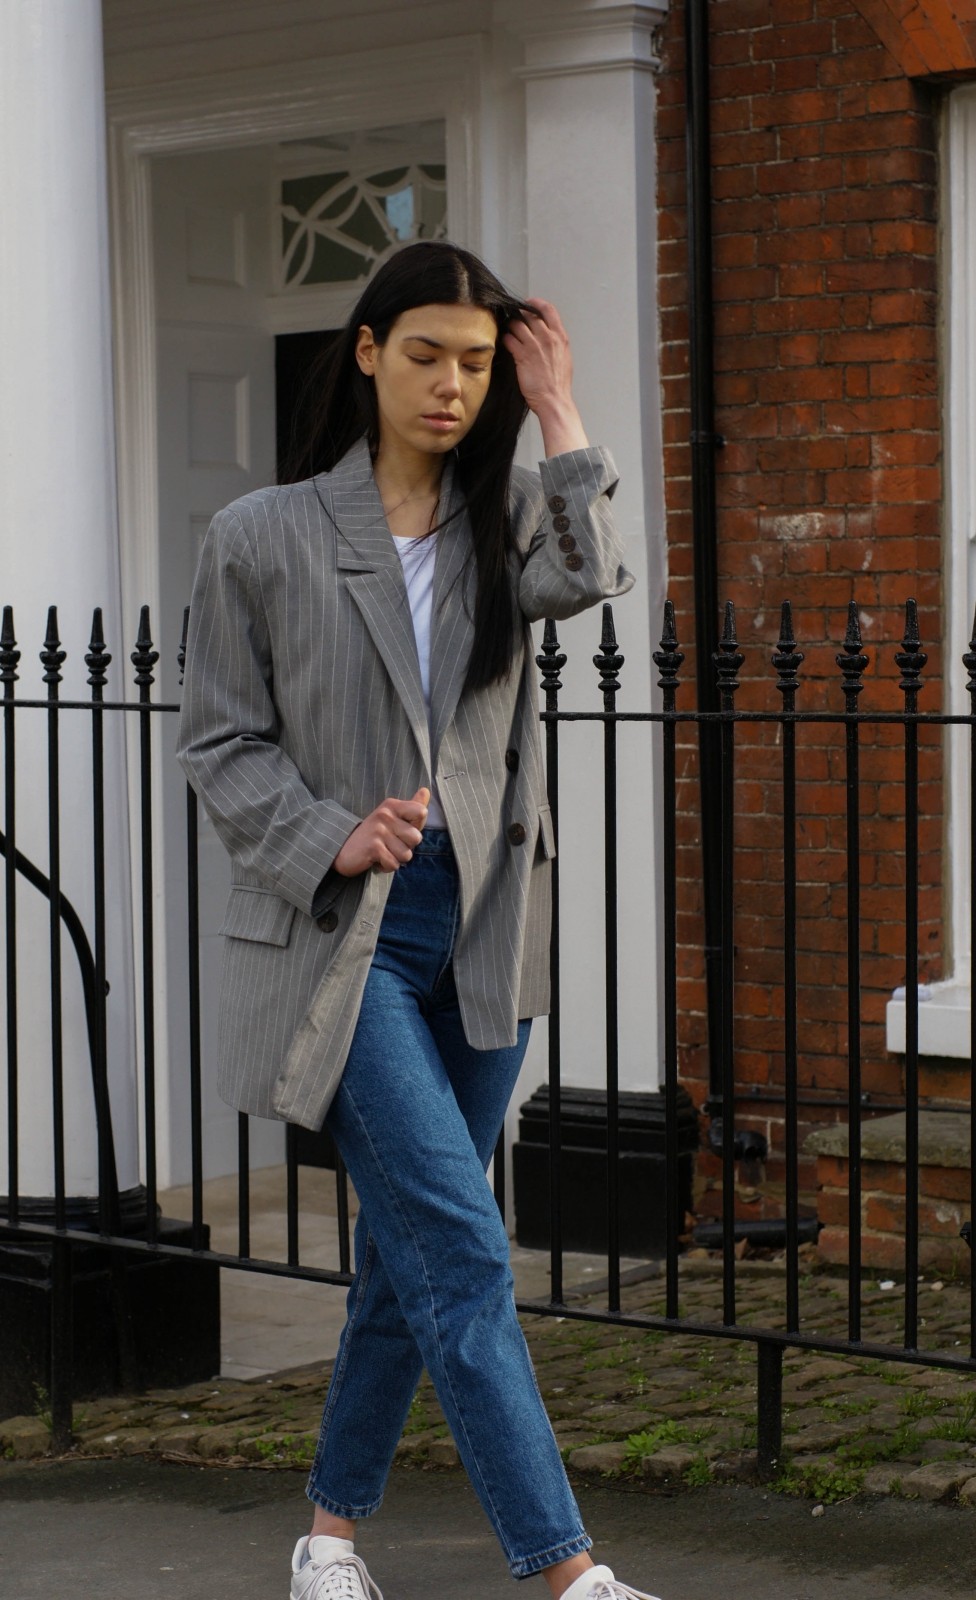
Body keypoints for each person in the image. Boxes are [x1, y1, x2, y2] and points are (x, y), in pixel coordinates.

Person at [177, 240, 657, 1600]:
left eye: (480, 361)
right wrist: (333, 832)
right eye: (430, 353)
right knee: (458, 1240)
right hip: (347, 937)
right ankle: (567, 1573)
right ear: (371, 350)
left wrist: (562, 416)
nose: (454, 384)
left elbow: (593, 574)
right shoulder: (261, 536)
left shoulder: (501, 516)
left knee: (401, 1255)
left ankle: (326, 1538)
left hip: (487, 927)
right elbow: (218, 745)